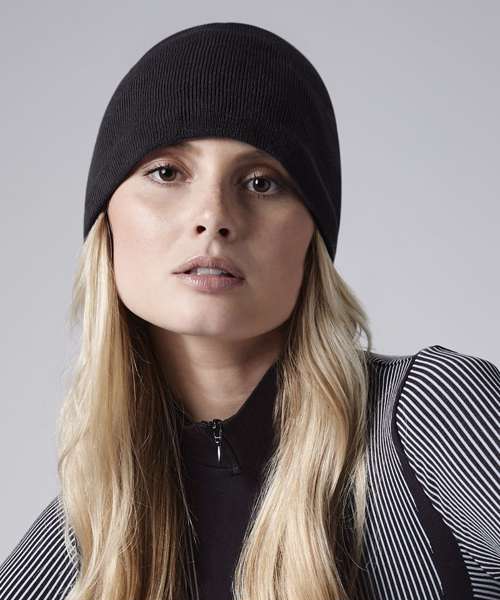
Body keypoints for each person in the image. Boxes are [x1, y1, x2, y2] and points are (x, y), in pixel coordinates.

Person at [0, 21, 498, 600]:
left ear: (311, 236)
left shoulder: (432, 417)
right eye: (167, 173)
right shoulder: (85, 536)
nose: (214, 216)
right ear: (106, 225)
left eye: (262, 182)